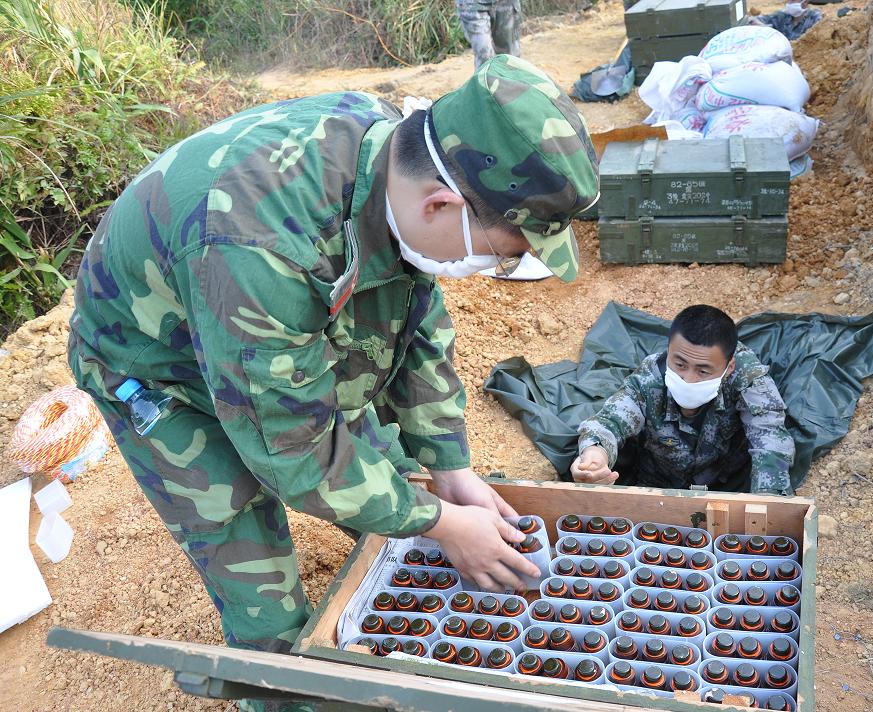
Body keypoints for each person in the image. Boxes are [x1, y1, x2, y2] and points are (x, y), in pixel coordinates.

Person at [67, 54, 598, 688]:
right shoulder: (258, 246)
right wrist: (441, 522)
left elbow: (414, 315)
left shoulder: (391, 152)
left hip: (252, 325)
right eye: (500, 257)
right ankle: (279, 688)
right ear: (441, 204)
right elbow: (294, 451)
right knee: (254, 564)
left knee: (388, 478)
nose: (491, 271)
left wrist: (451, 470)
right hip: (159, 366)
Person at [570, 305, 794, 495]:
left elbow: (771, 441)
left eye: (703, 371)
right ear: (668, 352)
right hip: (657, 485)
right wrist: (594, 455)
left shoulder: (749, 379)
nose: (688, 378)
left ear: (729, 367)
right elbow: (611, 421)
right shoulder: (650, 377)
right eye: (680, 365)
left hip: (726, 486)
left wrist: (767, 501)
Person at [456, 0, 522, 69]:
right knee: (484, 57)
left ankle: (509, 79)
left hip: (505, 3)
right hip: (472, 4)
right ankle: (487, 79)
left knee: (510, 58)